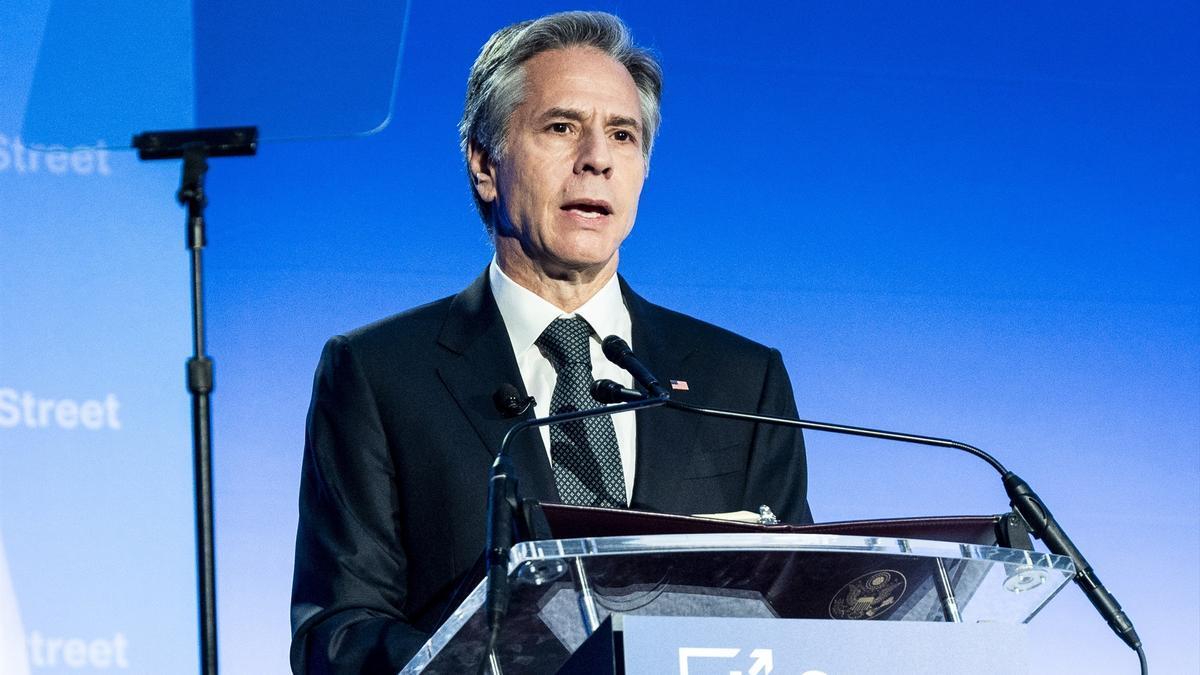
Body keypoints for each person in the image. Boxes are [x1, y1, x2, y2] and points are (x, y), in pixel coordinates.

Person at [290, 11, 812, 674]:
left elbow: (796, 614)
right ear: (485, 163)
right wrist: (495, 662)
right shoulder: (377, 373)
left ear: (643, 168)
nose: (596, 158)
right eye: (562, 126)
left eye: (622, 135)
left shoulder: (741, 379)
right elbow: (335, 634)